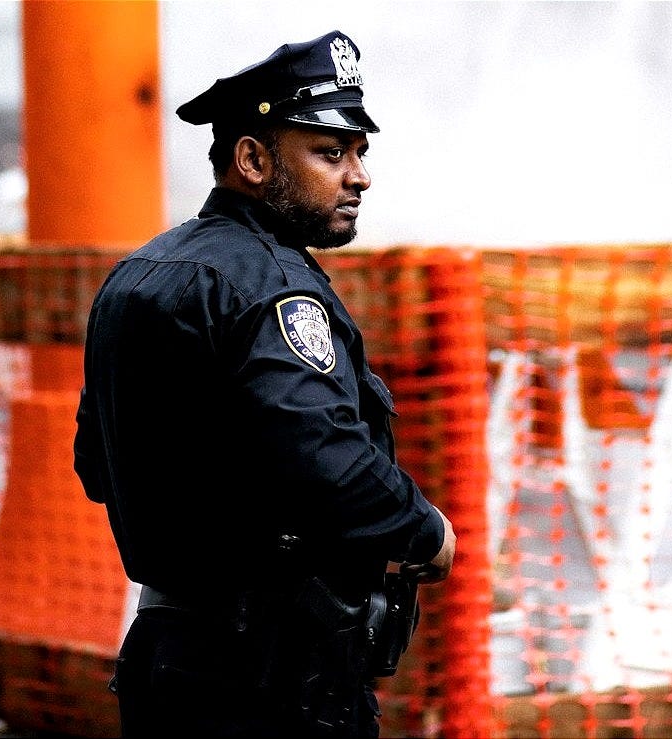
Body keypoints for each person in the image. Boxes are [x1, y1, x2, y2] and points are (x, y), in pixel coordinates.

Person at [73, 30, 456, 738]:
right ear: (251, 159)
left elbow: (96, 465)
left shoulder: (135, 276)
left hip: (164, 661)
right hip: (275, 679)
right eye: (330, 152)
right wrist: (428, 531)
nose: (359, 176)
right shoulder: (275, 287)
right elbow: (328, 461)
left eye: (359, 153)